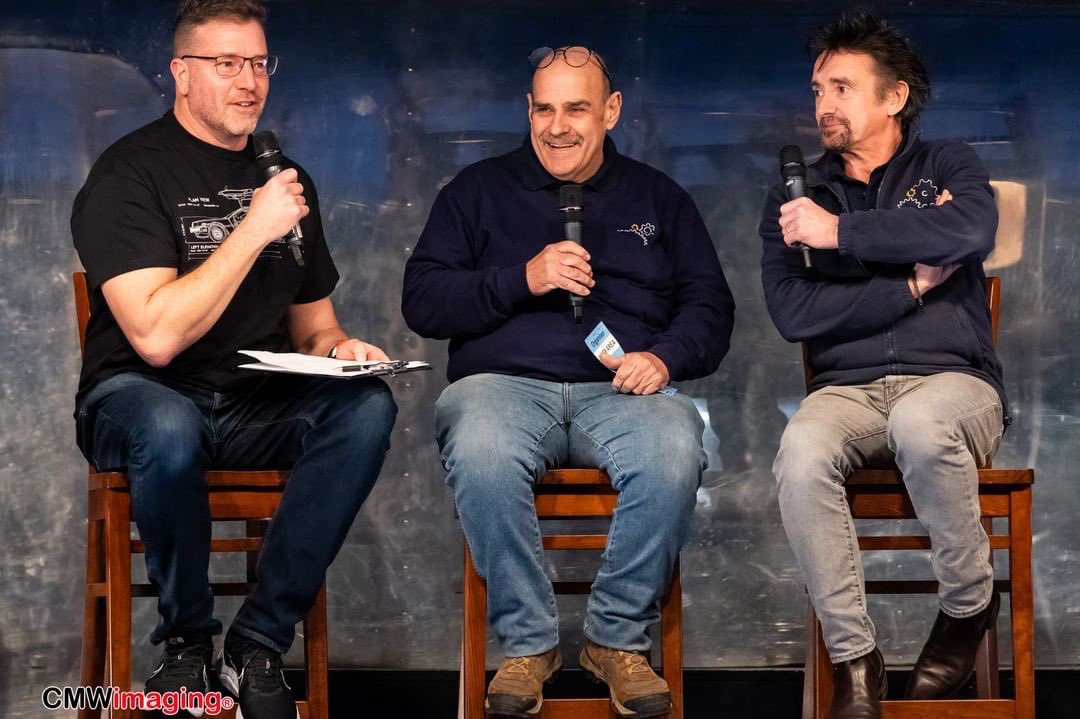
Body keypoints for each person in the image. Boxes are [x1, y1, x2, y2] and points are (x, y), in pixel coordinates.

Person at [71, 2, 397, 717]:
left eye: (257, 62)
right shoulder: (129, 175)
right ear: (182, 75)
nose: (248, 81)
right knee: (167, 424)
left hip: (252, 404)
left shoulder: (286, 180)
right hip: (138, 397)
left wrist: (343, 352)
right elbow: (156, 337)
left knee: (367, 408)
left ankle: (256, 644)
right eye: (226, 63)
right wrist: (252, 228)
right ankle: (186, 647)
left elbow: (314, 329)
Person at [403, 45, 735, 719]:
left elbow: (711, 307)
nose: (558, 126)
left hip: (623, 393)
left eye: (576, 108)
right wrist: (520, 278)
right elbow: (424, 301)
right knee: (482, 445)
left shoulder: (658, 198)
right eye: (544, 108)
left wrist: (665, 357)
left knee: (677, 443)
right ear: (527, 111)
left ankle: (614, 639)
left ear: (610, 111)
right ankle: (527, 646)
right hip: (502, 385)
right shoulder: (475, 193)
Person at [759, 10, 1006, 719]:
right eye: (817, 89)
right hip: (847, 390)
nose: (822, 104)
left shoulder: (948, 164)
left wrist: (841, 234)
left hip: (954, 382)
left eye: (841, 87)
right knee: (800, 449)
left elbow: (971, 227)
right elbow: (795, 315)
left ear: (893, 97)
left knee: (921, 421)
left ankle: (967, 608)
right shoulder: (793, 196)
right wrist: (907, 283)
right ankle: (855, 662)